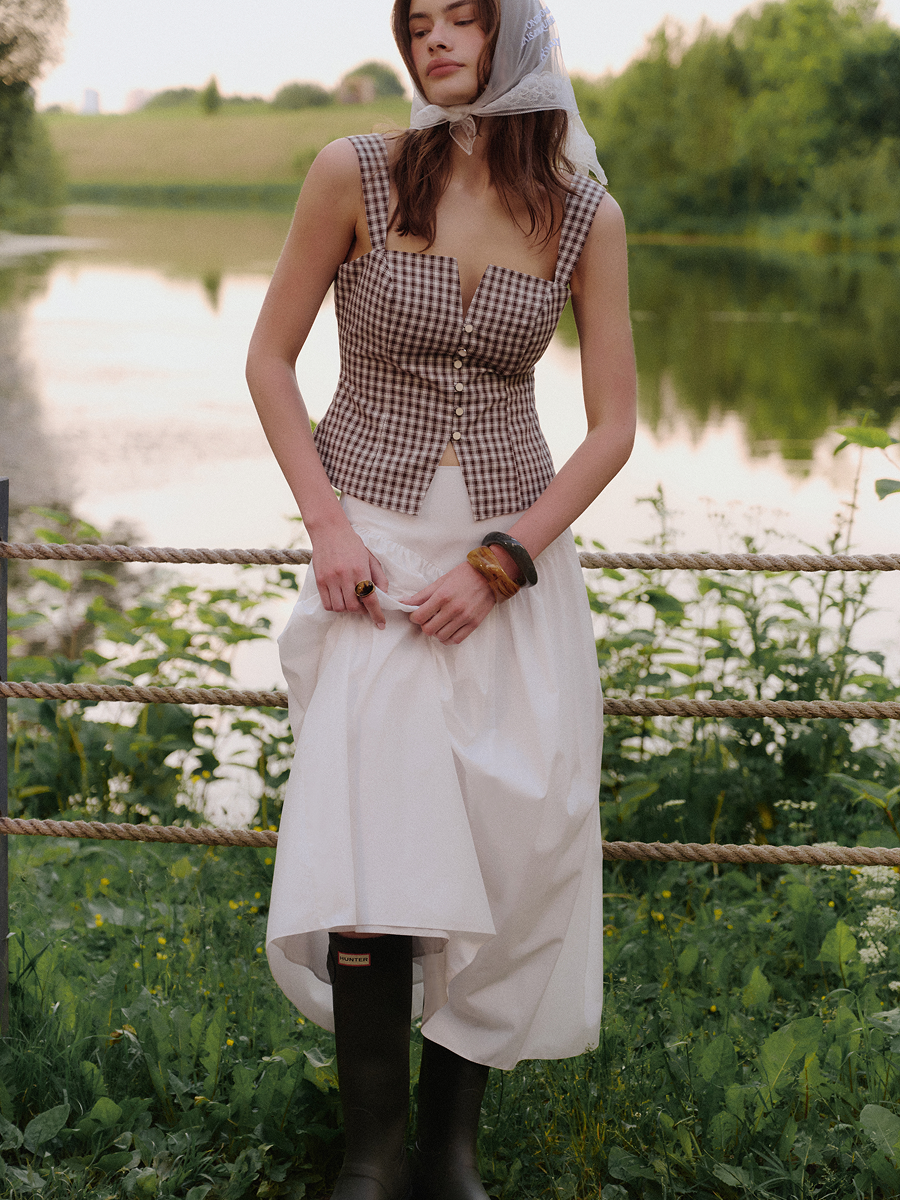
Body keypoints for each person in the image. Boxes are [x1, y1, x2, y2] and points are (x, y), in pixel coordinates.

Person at [246, 1, 636, 1196]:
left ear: (519, 35)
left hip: (508, 570)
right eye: (420, 22)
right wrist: (328, 527)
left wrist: (504, 561)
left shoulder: (584, 213)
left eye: (465, 16)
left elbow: (614, 427)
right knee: (373, 850)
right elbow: (269, 360)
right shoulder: (354, 173)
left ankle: (450, 1151)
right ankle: (372, 1157)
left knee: (511, 845)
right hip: (372, 565)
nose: (437, 39)